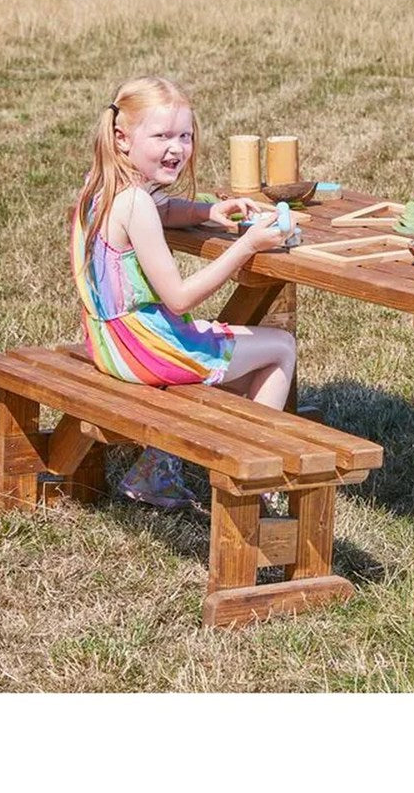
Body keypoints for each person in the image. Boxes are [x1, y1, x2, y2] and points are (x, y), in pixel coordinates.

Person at [71, 75, 295, 509]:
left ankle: (159, 470)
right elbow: (179, 298)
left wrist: (208, 211)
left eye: (185, 136)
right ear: (122, 138)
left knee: (242, 359)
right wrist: (247, 246)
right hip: (146, 349)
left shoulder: (102, 185)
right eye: (162, 136)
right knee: (281, 347)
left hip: (108, 341)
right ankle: (253, 479)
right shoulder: (134, 203)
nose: (176, 148)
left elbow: (163, 209)